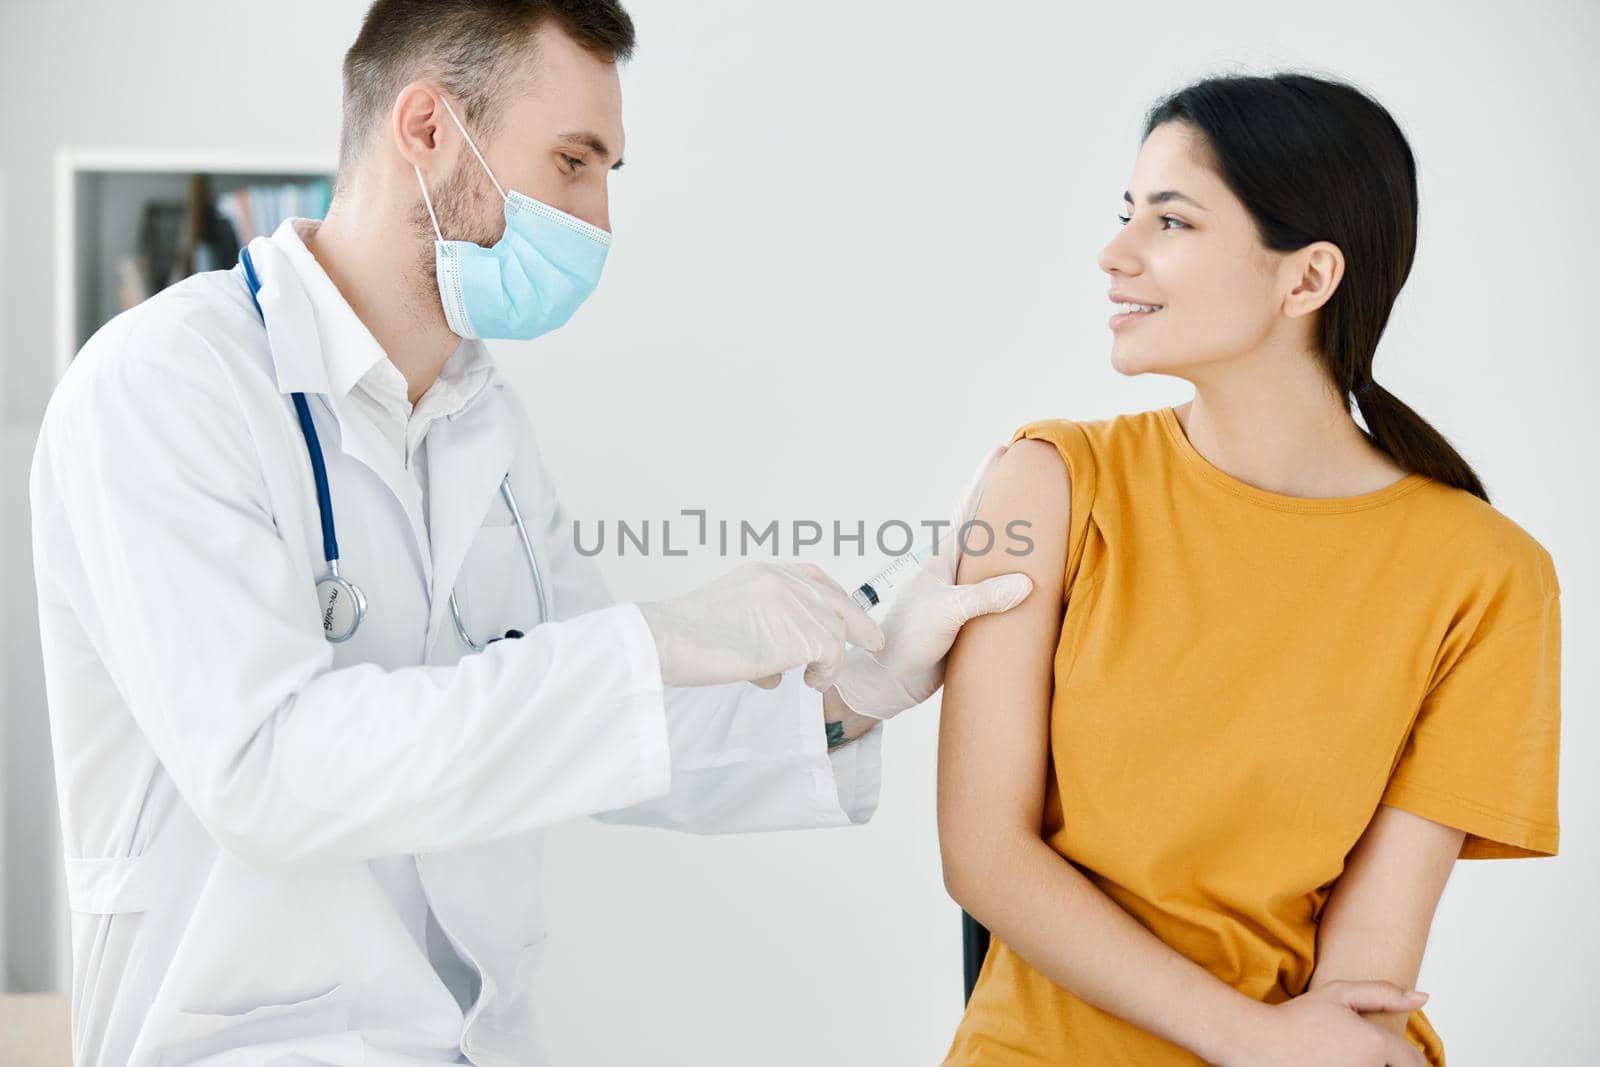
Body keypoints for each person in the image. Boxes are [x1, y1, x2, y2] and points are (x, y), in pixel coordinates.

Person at [27, 2, 1032, 1064]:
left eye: (607, 173)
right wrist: (654, 640)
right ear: (424, 130)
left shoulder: (480, 418)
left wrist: (852, 685)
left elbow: (604, 732)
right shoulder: (165, 386)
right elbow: (268, 775)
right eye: (571, 162)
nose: (597, 219)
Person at [937, 72, 1561, 1067]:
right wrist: (1252, 1038)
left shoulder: (1484, 574)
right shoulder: (1046, 485)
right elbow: (983, 852)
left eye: (1171, 221)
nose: (1115, 254)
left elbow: (1368, 963)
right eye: (1126, 214)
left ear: (1306, 278)